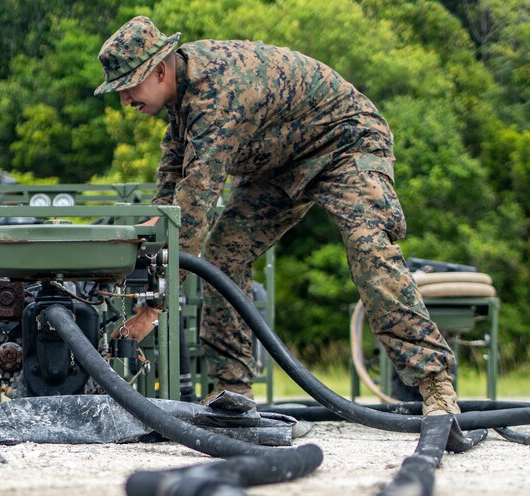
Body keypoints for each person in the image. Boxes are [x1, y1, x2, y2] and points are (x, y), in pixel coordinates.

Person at [95, 16, 460, 415]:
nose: (125, 101)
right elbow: (171, 189)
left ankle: (435, 385)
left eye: (128, 87)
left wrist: (152, 309)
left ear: (160, 69)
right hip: (278, 163)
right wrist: (145, 233)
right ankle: (232, 392)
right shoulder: (182, 101)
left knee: (369, 248)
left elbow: (193, 208)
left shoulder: (216, 93)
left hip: (344, 145)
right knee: (223, 258)